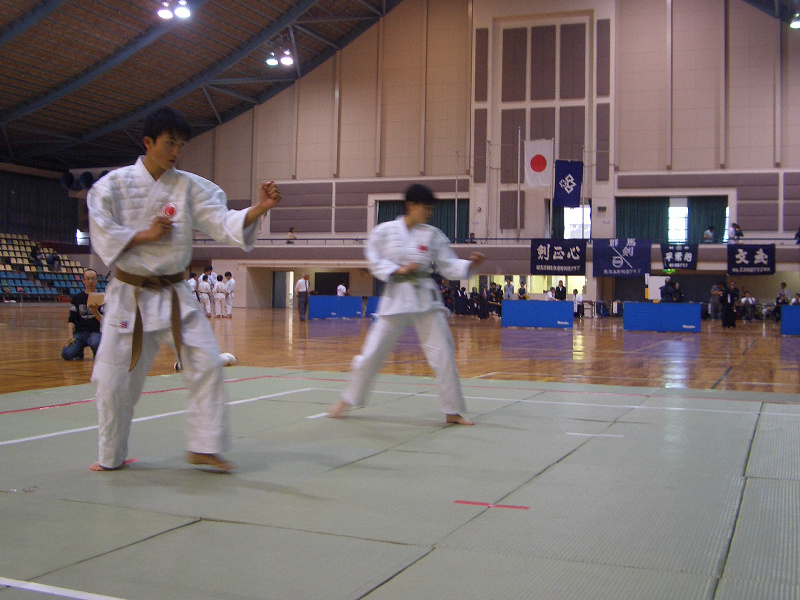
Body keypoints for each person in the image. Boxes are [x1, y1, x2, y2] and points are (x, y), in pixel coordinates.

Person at [86, 106, 281, 472]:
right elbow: (101, 231)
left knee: (207, 363)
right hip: (130, 297)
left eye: (181, 145)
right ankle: (110, 456)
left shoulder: (190, 186)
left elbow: (222, 222)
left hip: (176, 295)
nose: (176, 151)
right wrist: (146, 234)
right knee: (114, 382)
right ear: (148, 142)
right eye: (169, 143)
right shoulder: (112, 186)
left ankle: (204, 446)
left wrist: (258, 209)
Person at [328, 184, 484, 425]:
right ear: (410, 205)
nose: (429, 212)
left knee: (444, 353)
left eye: (431, 208)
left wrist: (469, 266)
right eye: (425, 207)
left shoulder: (432, 234)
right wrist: (398, 270)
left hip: (425, 299)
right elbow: (374, 259)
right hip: (395, 298)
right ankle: (346, 400)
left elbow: (447, 264)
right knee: (372, 353)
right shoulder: (384, 232)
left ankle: (452, 411)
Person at [61, 269, 104, 360]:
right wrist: (70, 336)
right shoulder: (76, 298)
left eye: (93, 278)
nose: (90, 281)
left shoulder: (102, 298)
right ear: (83, 281)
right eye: (87, 279)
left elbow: (104, 321)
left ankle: (97, 352)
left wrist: (95, 311)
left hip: (96, 333)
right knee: (66, 354)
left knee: (95, 344)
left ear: (97, 280)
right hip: (79, 334)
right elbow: (71, 320)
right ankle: (78, 352)